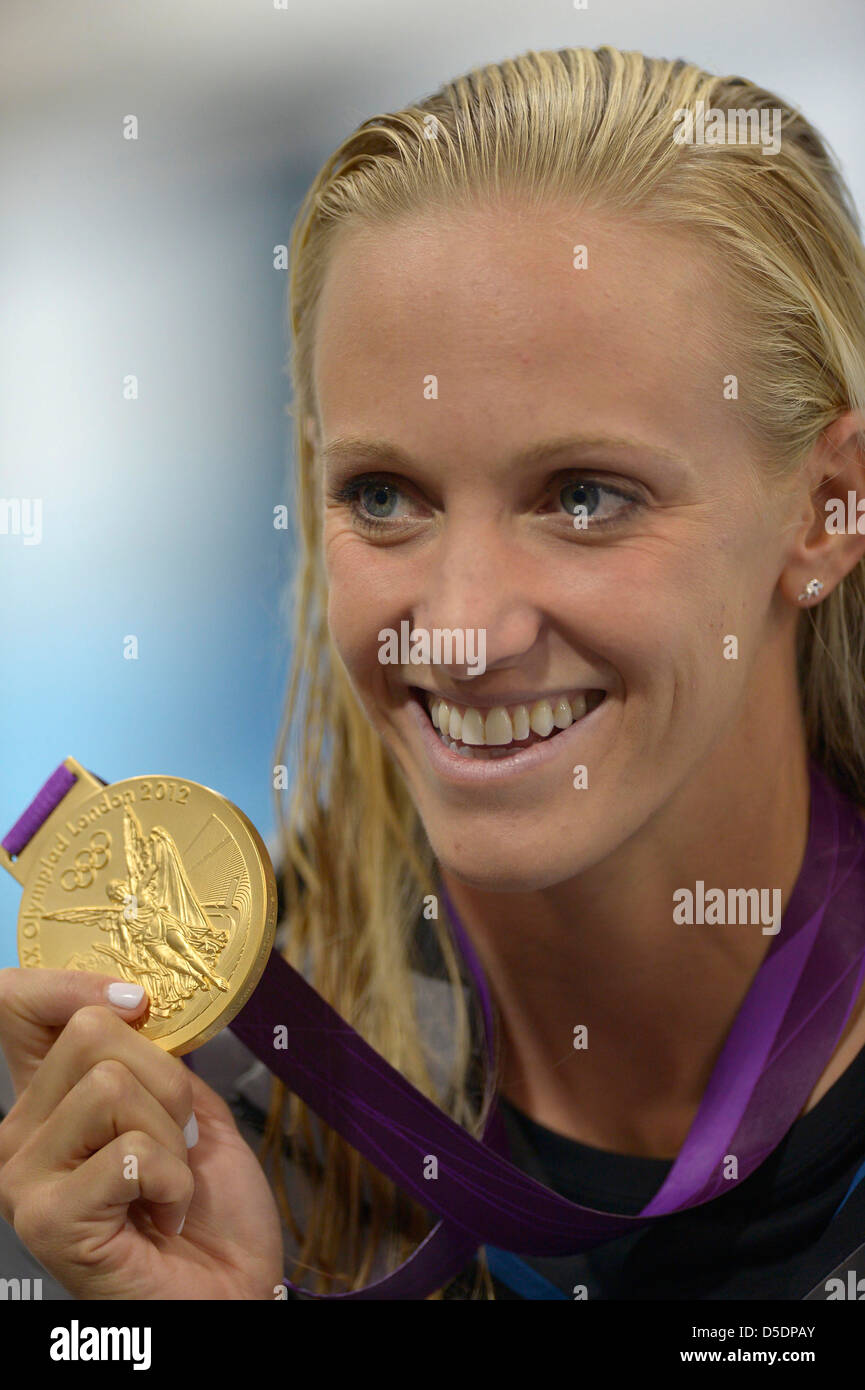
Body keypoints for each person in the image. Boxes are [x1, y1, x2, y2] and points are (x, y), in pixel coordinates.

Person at [2, 43, 865, 1301]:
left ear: (826, 510)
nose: (461, 626)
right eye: (384, 494)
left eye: (583, 497)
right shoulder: (159, 1133)